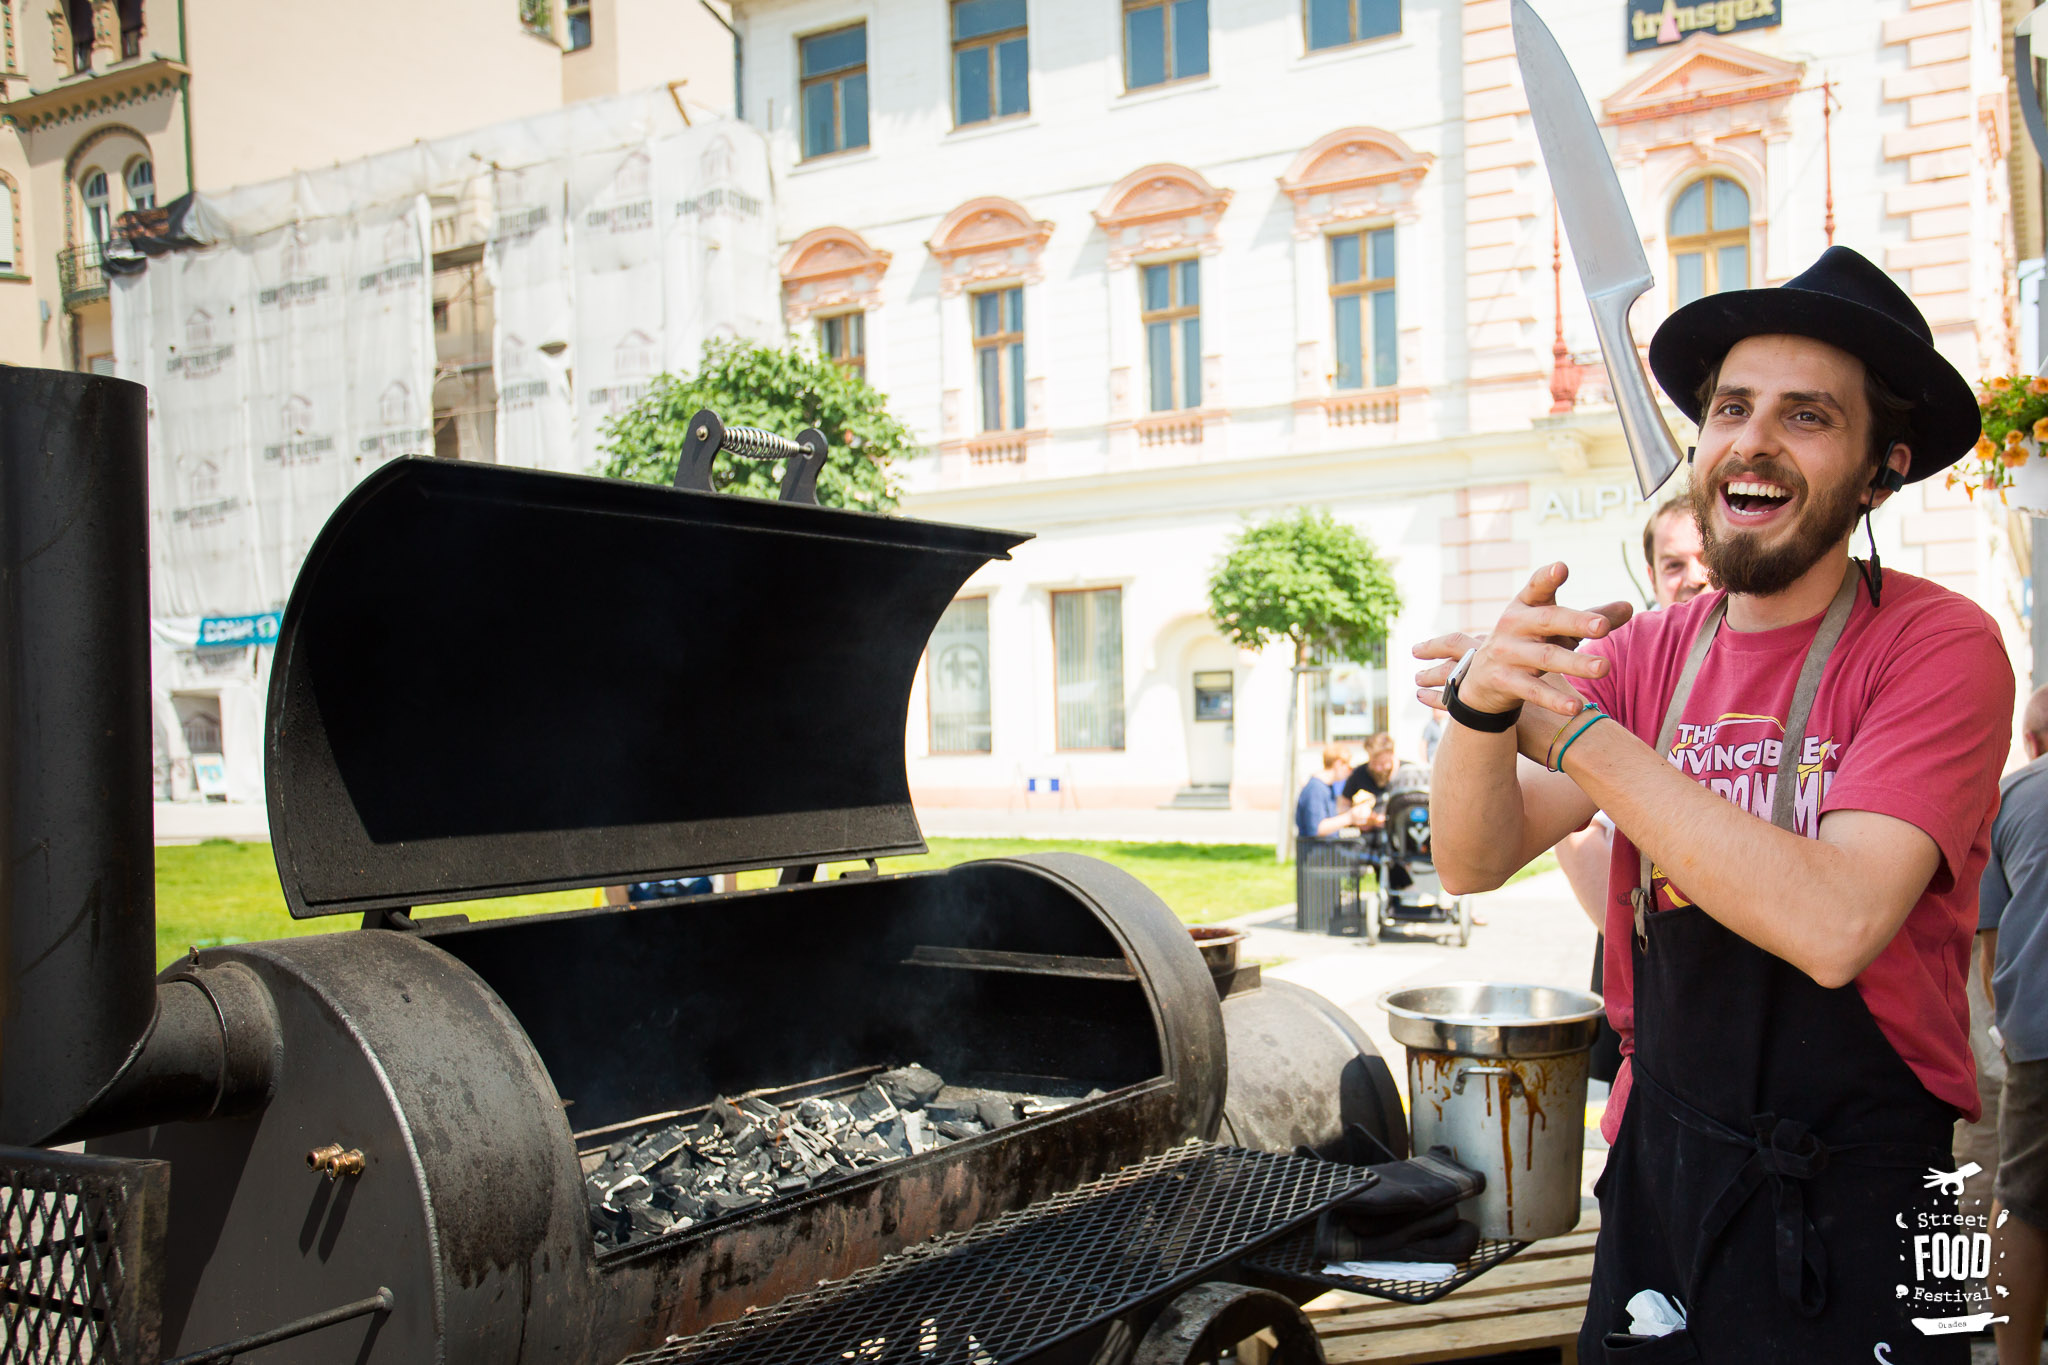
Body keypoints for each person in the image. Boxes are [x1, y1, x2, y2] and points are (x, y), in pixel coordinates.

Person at [1415, 246, 2013, 1359]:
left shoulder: (1938, 646)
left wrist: (1581, 738)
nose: (1750, 439)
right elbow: (1472, 859)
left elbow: (1836, 924)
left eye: (1805, 416)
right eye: (1731, 408)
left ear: (1880, 470)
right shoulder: (1648, 648)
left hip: (1867, 1182)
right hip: (1665, 1161)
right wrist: (1482, 709)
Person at [1553, 494, 1710, 1082]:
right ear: (1651, 575)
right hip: (1647, 942)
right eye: (1674, 564)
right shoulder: (1624, 664)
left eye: (1705, 557)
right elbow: (1573, 832)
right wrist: (1641, 939)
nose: (1694, 577)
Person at [1981, 685, 2048, 1365]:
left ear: (2031, 742)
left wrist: (2007, 1029)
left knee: (2022, 1200)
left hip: (2039, 1032)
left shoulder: (2012, 797)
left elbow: (1991, 948)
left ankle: (2017, 1358)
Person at [1295, 743, 1367, 840]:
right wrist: (1349, 817)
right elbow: (1317, 829)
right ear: (1338, 764)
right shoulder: (1316, 789)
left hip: (1327, 847)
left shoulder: (1328, 787)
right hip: (1316, 848)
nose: (1350, 772)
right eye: (1349, 767)